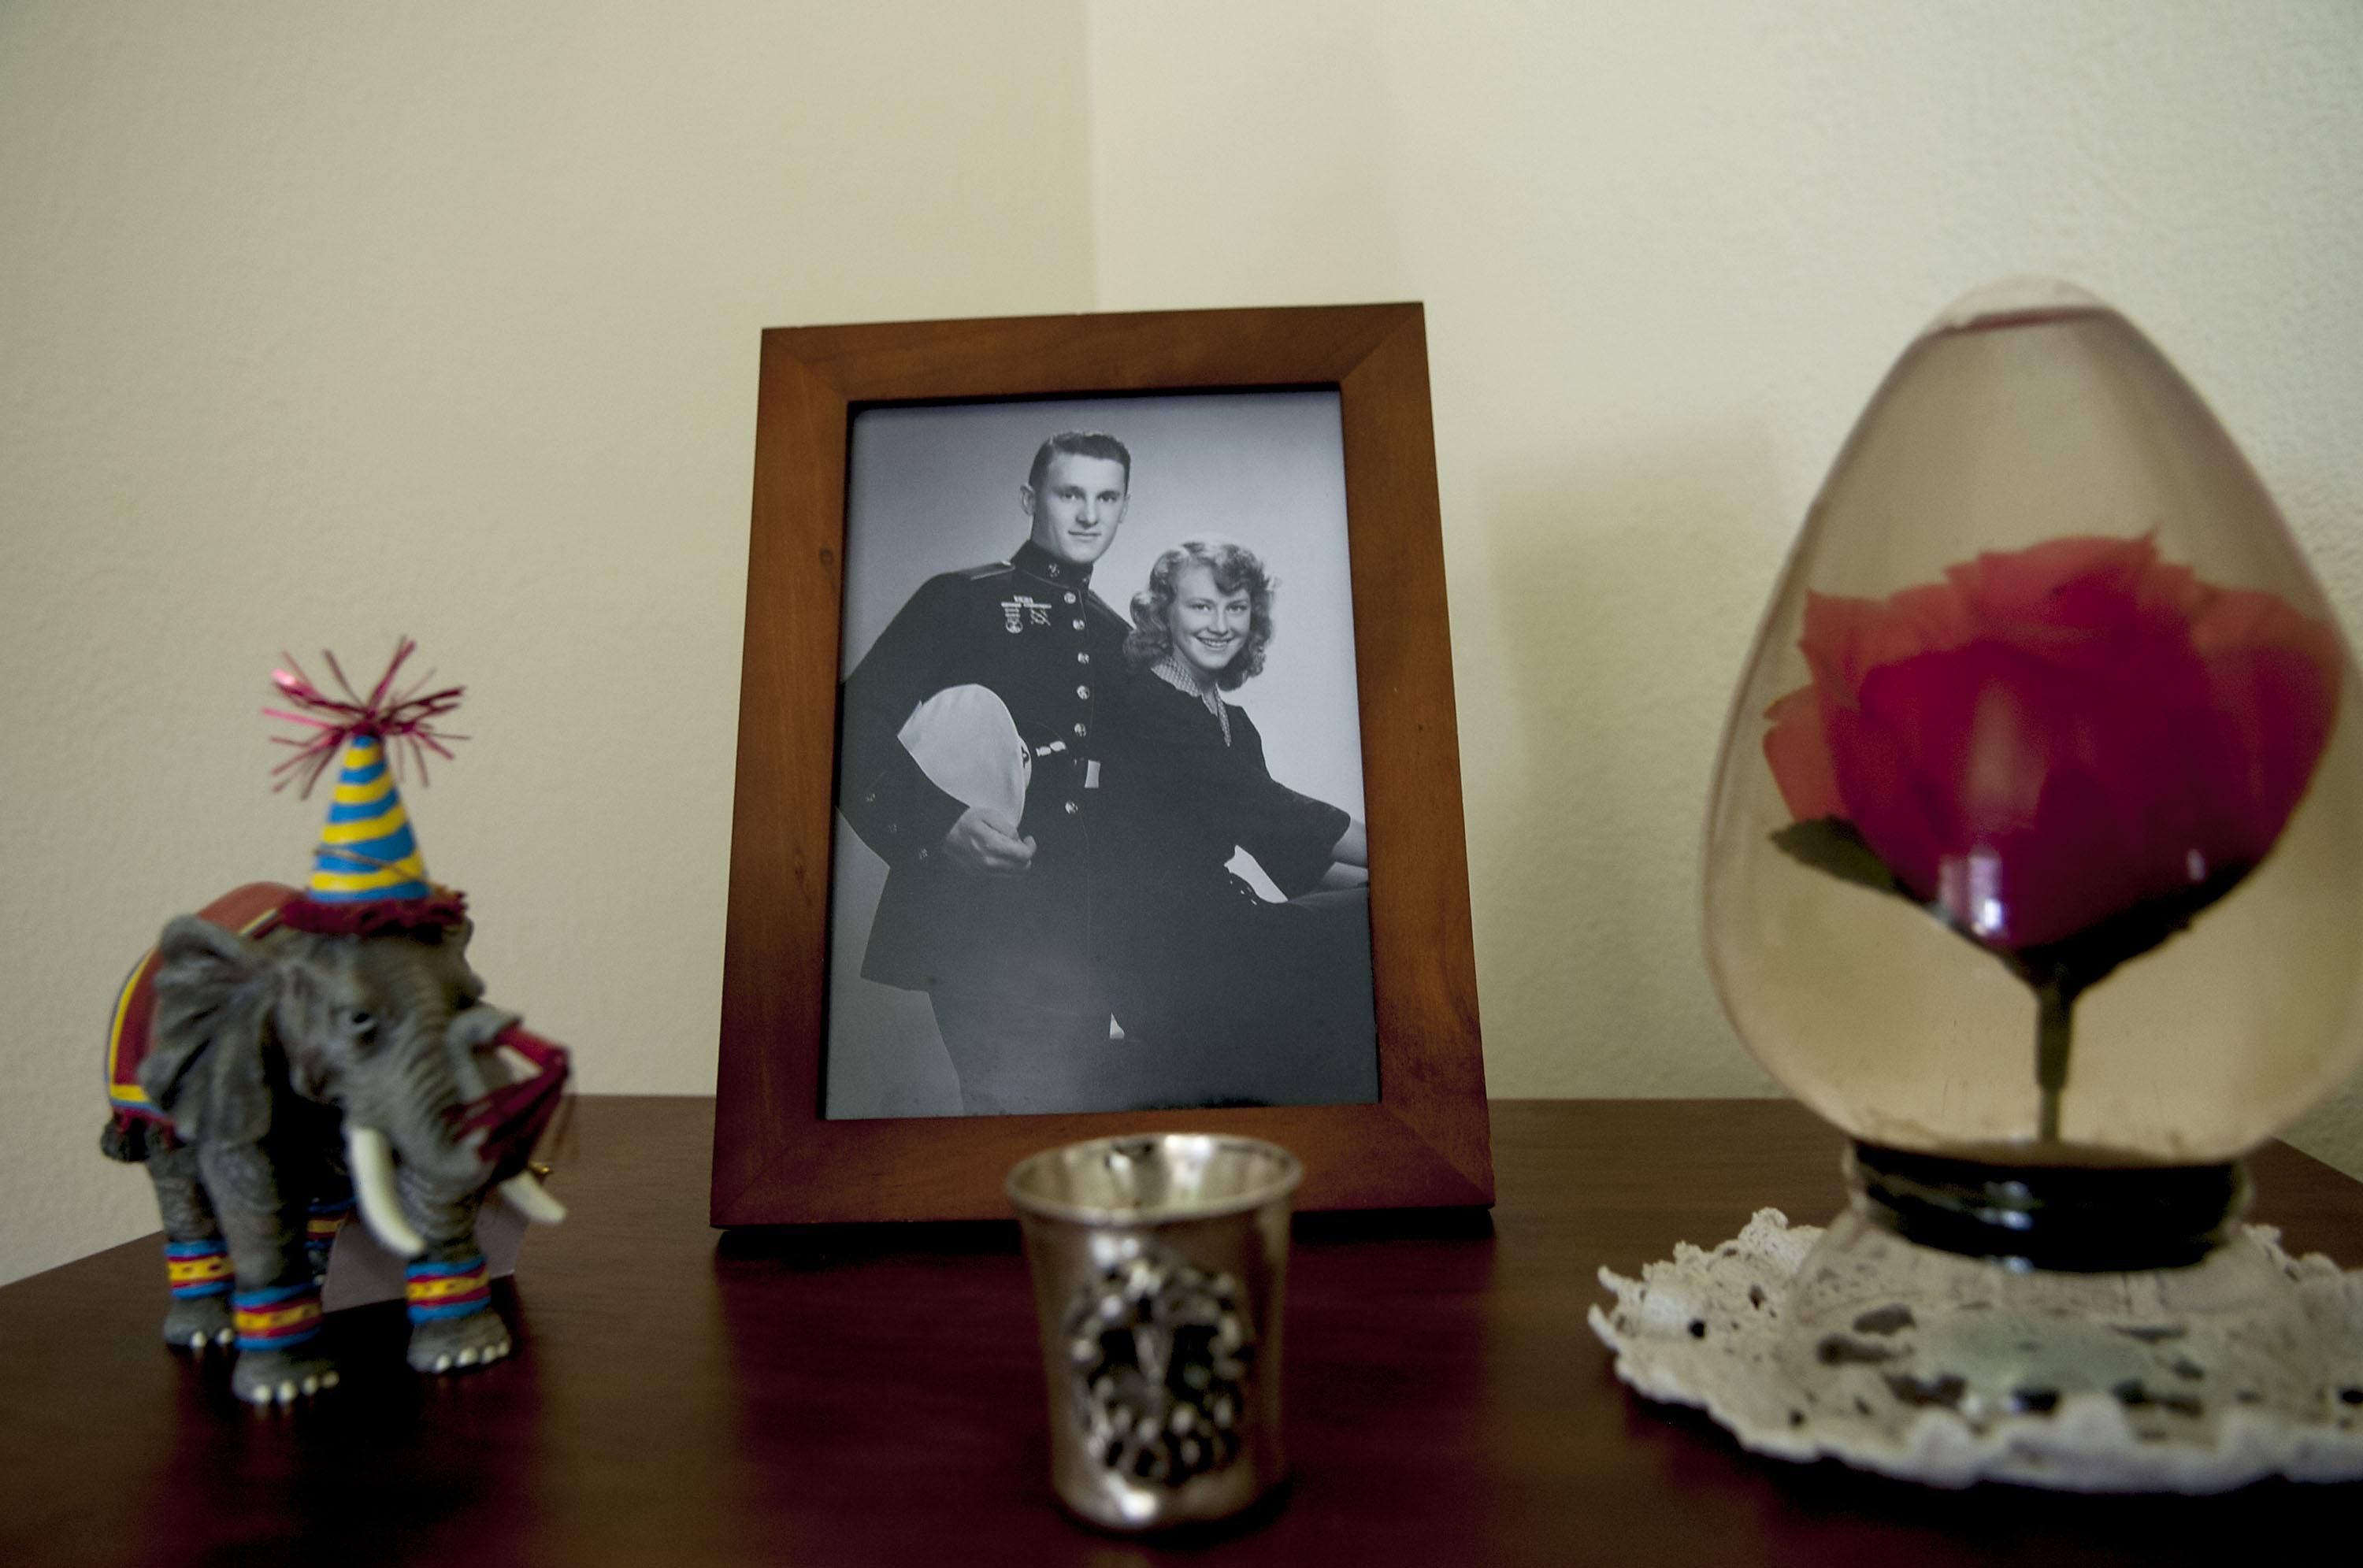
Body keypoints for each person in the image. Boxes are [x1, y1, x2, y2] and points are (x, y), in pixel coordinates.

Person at [835, 432, 1135, 1114]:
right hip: (977, 922)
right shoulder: (960, 600)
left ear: (1124, 510)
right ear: (1032, 498)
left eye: (1106, 497)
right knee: (1011, 1112)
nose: (1089, 515)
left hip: (1082, 930)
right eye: (1070, 493)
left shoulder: (1116, 635)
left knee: (1070, 1118)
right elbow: (849, 726)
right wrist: (939, 826)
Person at [1091, 538, 1378, 1106]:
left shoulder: (1235, 723)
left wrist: (1395, 889)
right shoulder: (1143, 704)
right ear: (1163, 612)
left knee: (1381, 918)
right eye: (1202, 606)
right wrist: (1409, 849)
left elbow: (1294, 860)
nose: (1220, 624)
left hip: (1223, 927)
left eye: (1236, 607)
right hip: (1162, 952)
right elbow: (1267, 806)